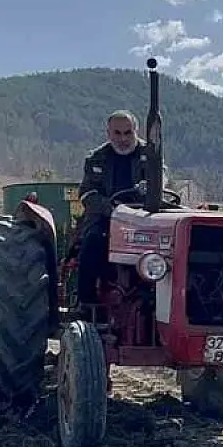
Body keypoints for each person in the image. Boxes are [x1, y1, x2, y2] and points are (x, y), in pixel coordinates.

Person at [74, 110, 149, 309]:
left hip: (143, 217)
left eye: (128, 133)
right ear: (108, 133)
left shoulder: (150, 155)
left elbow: (161, 179)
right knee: (93, 241)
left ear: (136, 131)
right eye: (118, 133)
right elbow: (87, 193)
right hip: (106, 217)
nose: (123, 139)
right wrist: (111, 208)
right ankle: (87, 303)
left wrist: (150, 189)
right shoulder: (96, 158)